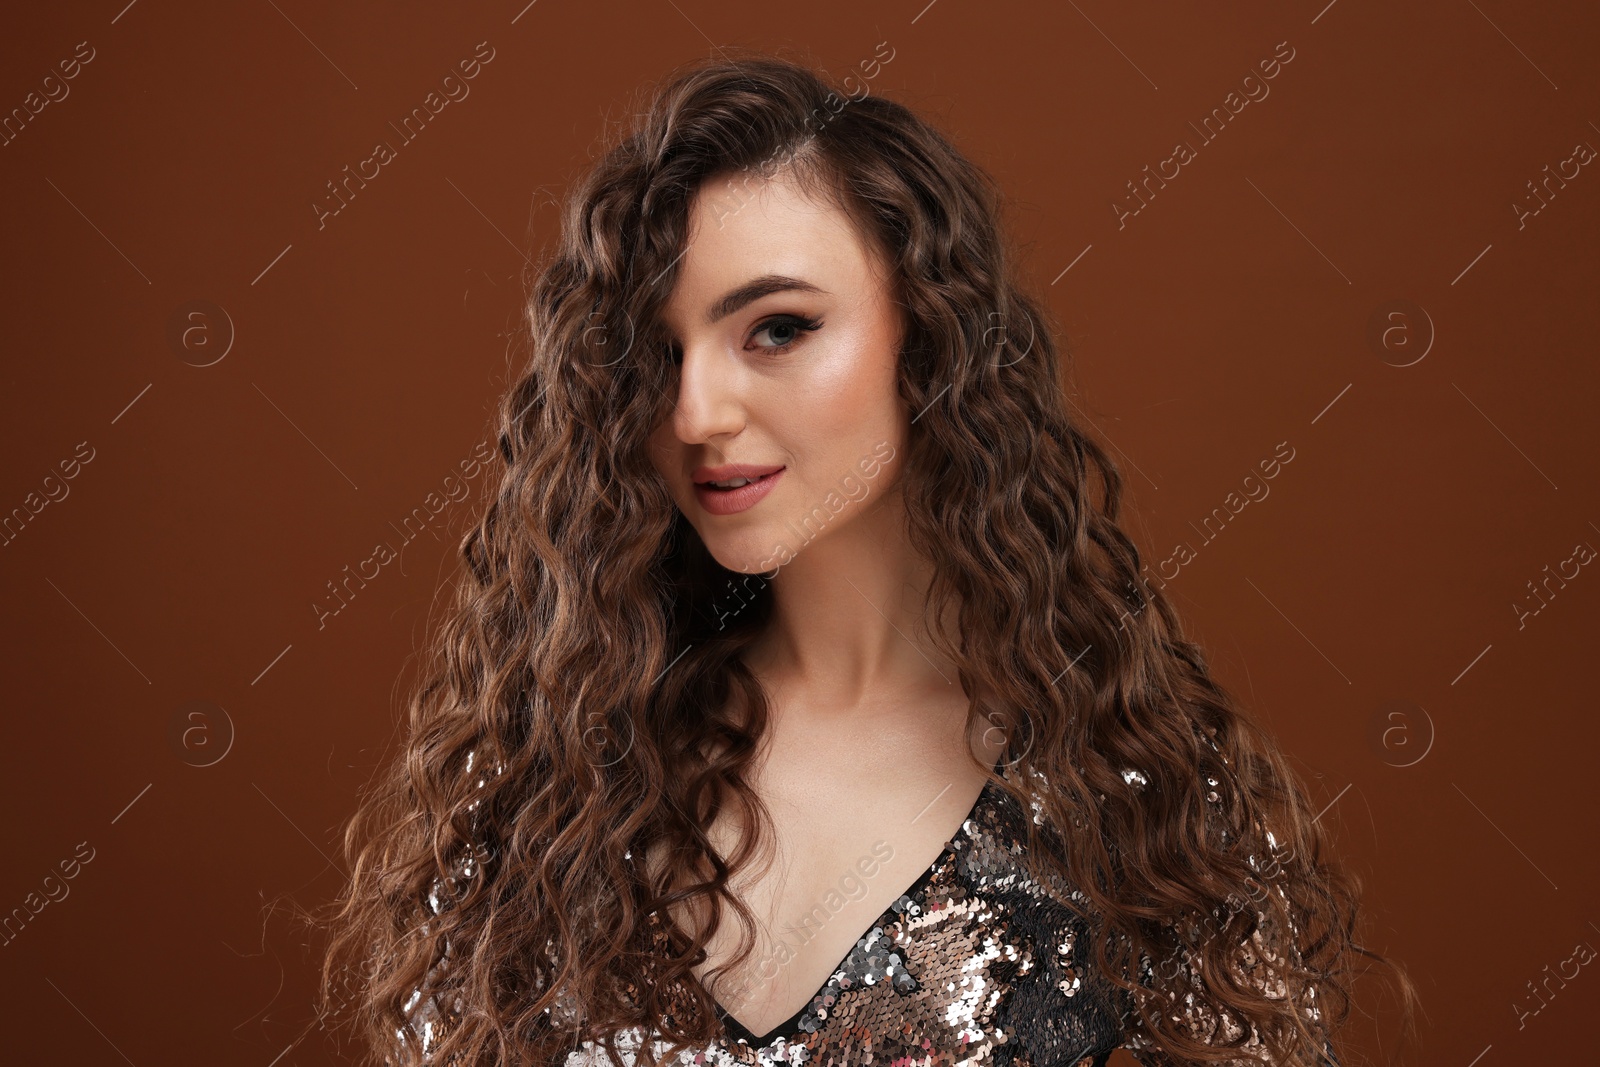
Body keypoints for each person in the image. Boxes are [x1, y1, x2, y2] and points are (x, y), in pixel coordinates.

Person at [316, 50, 1417, 1067]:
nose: (696, 410)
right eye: (657, 352)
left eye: (779, 328)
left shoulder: (1143, 803)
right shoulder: (548, 776)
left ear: (925, 336)